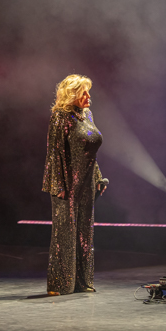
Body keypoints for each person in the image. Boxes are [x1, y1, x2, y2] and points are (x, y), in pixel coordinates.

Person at [42, 74, 107, 296]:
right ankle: (60, 284)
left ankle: (82, 281)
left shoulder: (87, 114)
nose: (89, 96)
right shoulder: (60, 117)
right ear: (72, 95)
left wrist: (98, 178)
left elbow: (91, 153)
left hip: (86, 182)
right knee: (65, 234)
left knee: (84, 232)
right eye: (84, 93)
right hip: (67, 183)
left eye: (89, 92)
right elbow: (54, 153)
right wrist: (57, 185)